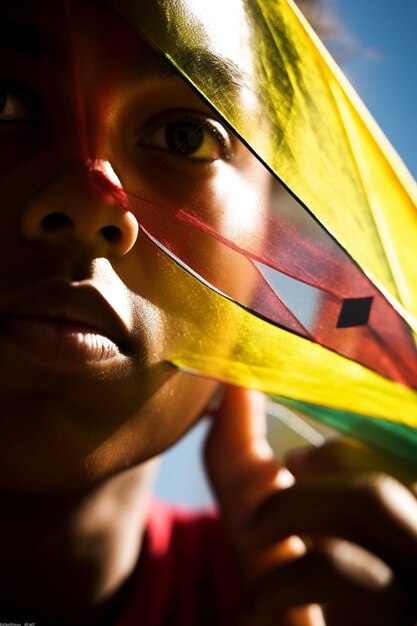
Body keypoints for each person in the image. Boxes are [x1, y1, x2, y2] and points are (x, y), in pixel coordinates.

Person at [0, 1, 416, 625]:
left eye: (185, 136)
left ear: (264, 268)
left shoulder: (339, 603)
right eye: (3, 101)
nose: (88, 205)